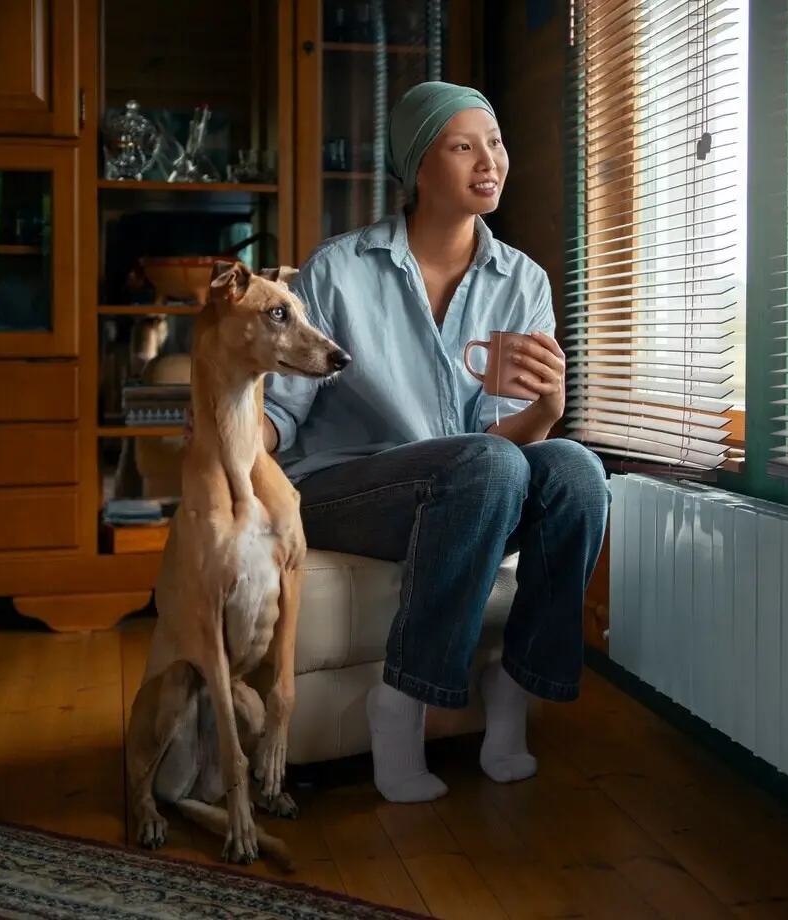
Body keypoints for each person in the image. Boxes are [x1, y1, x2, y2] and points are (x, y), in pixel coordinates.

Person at [259, 82, 609, 802]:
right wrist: (227, 439)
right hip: (343, 490)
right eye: (463, 145)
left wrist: (546, 411)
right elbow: (282, 413)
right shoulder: (338, 271)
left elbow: (501, 441)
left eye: (497, 142)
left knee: (574, 468)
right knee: (485, 464)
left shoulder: (523, 280)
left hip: (472, 487)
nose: (490, 160)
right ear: (419, 165)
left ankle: (513, 686)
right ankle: (404, 698)